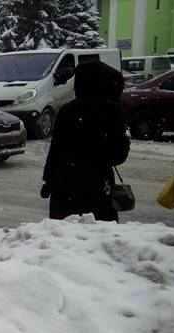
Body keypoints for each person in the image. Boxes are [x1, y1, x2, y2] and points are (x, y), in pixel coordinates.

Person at [41, 61, 130, 222]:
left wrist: (49, 180)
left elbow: (56, 150)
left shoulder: (68, 110)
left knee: (66, 232)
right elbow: (119, 154)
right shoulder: (112, 111)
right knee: (97, 231)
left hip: (65, 186)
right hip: (98, 185)